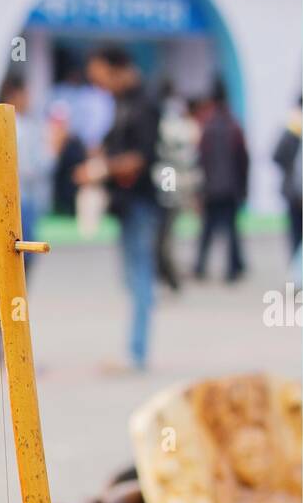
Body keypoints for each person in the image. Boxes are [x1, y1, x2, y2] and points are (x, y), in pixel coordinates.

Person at [78, 45, 160, 372]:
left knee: (140, 277)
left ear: (118, 69)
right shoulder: (121, 103)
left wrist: (101, 169)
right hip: (125, 205)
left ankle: (136, 353)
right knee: (131, 278)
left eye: (102, 78)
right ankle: (134, 350)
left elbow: (138, 160)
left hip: (142, 203)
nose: (100, 86)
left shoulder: (144, 105)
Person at [193, 81, 249, 282]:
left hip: (211, 187)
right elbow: (243, 160)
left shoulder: (207, 127)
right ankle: (233, 269)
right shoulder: (234, 126)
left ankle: (200, 267)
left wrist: (199, 189)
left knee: (207, 230)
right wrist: (244, 188)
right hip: (230, 187)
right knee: (231, 230)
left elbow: (200, 160)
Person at [0, 76, 52, 275]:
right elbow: (32, 168)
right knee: (20, 259)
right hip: (22, 199)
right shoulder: (21, 128)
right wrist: (55, 149)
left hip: (5, 200)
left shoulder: (0, 124)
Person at [151, 84, 202, 291]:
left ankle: (170, 278)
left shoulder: (174, 128)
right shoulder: (171, 125)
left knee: (164, 240)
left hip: (169, 189)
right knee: (161, 241)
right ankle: (166, 277)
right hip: (165, 187)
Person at [272, 95, 303, 263]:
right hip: (295, 191)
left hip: (293, 191)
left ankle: (297, 275)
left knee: (295, 235)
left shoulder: (292, 128)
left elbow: (276, 156)